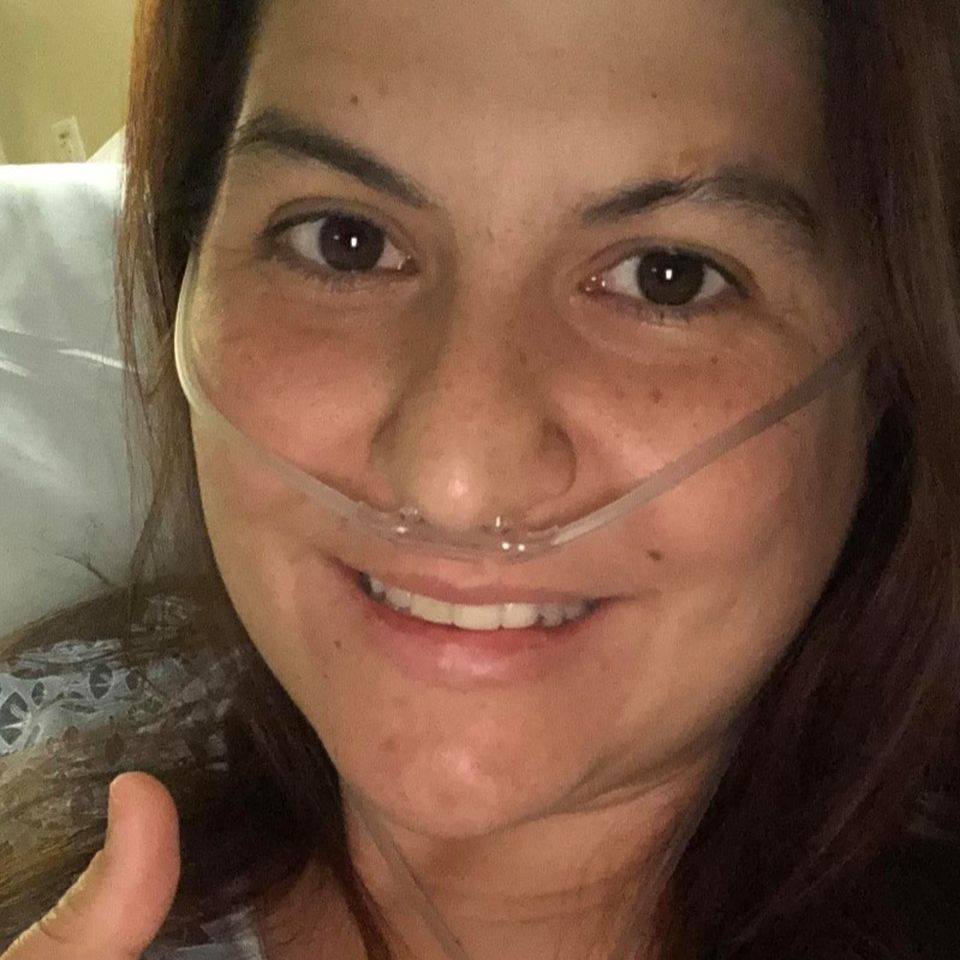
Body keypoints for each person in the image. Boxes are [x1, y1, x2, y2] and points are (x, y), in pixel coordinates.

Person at [1, 0, 959, 958]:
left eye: (669, 276)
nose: (454, 479)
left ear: (884, 367)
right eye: (344, 240)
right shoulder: (43, 730)